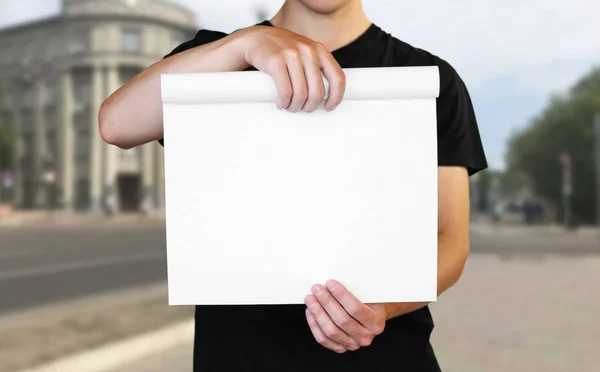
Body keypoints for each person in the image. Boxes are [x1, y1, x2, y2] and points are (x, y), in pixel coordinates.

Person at [99, 0, 487, 370]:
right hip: (239, 359)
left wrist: (383, 307)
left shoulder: (427, 77)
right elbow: (117, 125)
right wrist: (245, 43)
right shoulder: (215, 59)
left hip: (389, 358)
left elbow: (450, 238)